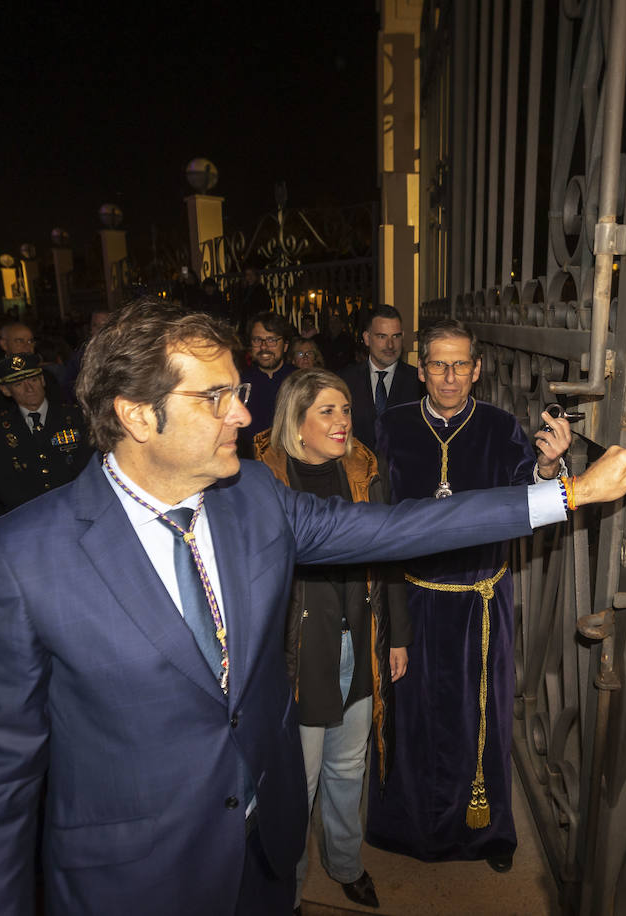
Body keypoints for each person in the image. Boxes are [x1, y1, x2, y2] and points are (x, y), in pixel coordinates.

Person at [0, 299, 626, 916]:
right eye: (215, 398)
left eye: (238, 390)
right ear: (137, 415)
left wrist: (573, 492)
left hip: (265, 853)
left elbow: (401, 527)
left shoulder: (253, 499)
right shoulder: (18, 560)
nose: (243, 411)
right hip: (138, 879)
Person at [365, 319, 573, 871]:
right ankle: (409, 829)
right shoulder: (393, 425)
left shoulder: (501, 427)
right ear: (422, 369)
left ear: (477, 369)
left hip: (481, 602)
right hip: (411, 598)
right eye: (438, 364)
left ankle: (485, 835)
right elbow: (374, 510)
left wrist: (548, 465)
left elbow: (532, 499)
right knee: (410, 717)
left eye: (461, 364)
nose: (450, 376)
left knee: (479, 718)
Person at [253, 370, 408, 912]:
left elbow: (391, 550)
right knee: (299, 779)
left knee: (349, 767)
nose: (343, 421)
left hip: (360, 640)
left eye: (345, 409)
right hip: (297, 652)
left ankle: (345, 864)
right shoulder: (261, 479)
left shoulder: (364, 470)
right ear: (296, 421)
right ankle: (287, 887)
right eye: (327, 411)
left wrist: (397, 635)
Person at [0, 352, 91, 517]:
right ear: (5, 390)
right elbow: (0, 480)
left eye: (33, 380)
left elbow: (88, 465)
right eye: (18, 384)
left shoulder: (75, 418)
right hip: (28, 514)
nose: (29, 389)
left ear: (42, 380)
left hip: (77, 508)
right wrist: (36, 512)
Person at [338, 305, 421, 454]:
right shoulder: (344, 381)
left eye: (396, 336)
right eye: (382, 337)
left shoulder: (419, 382)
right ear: (367, 338)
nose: (390, 345)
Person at [238, 310, 296, 456]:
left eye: (271, 340)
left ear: (285, 346)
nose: (264, 347)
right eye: (257, 340)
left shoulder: (301, 381)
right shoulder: (239, 384)